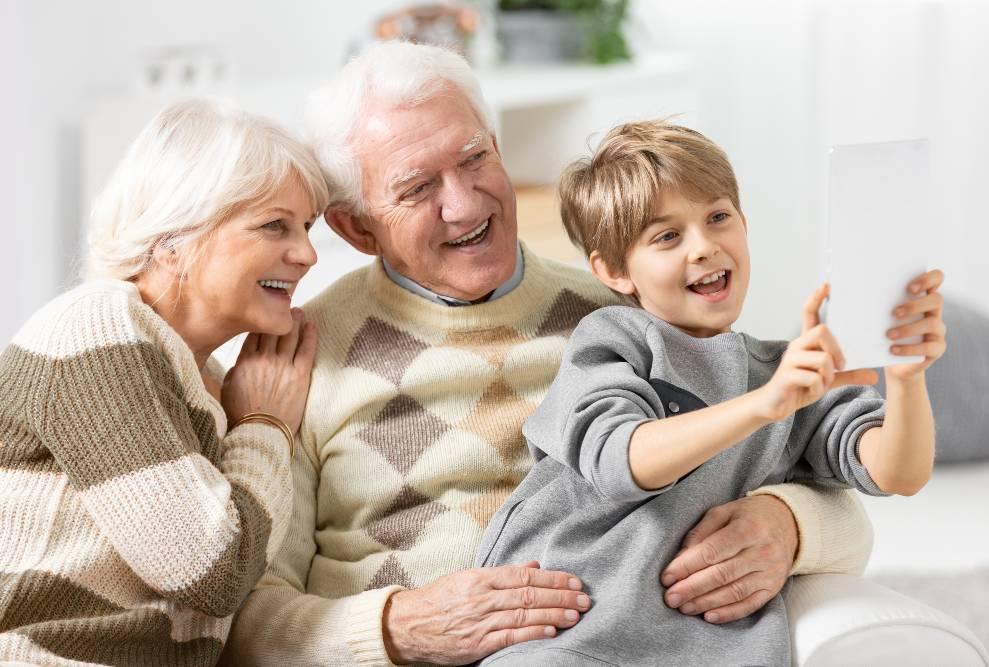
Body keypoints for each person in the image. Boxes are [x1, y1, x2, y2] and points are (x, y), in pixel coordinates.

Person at [223, 41, 879, 666]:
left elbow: (830, 472)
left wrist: (790, 523)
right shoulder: (299, 357)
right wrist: (399, 627)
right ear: (356, 226)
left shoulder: (627, 314)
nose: (463, 202)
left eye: (474, 158)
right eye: (418, 187)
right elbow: (244, 620)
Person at [475, 121, 946, 666]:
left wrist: (908, 377)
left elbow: (900, 473)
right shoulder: (616, 340)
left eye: (718, 218)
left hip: (707, 649)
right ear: (613, 269)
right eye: (667, 236)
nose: (704, 247)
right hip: (564, 633)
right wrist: (766, 404)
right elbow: (621, 460)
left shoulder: (787, 374)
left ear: (744, 225)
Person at [0, 98, 328, 665]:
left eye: (306, 228)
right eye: (275, 225)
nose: (307, 254)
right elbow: (212, 572)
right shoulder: (96, 327)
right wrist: (265, 427)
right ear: (174, 238)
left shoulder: (211, 382)